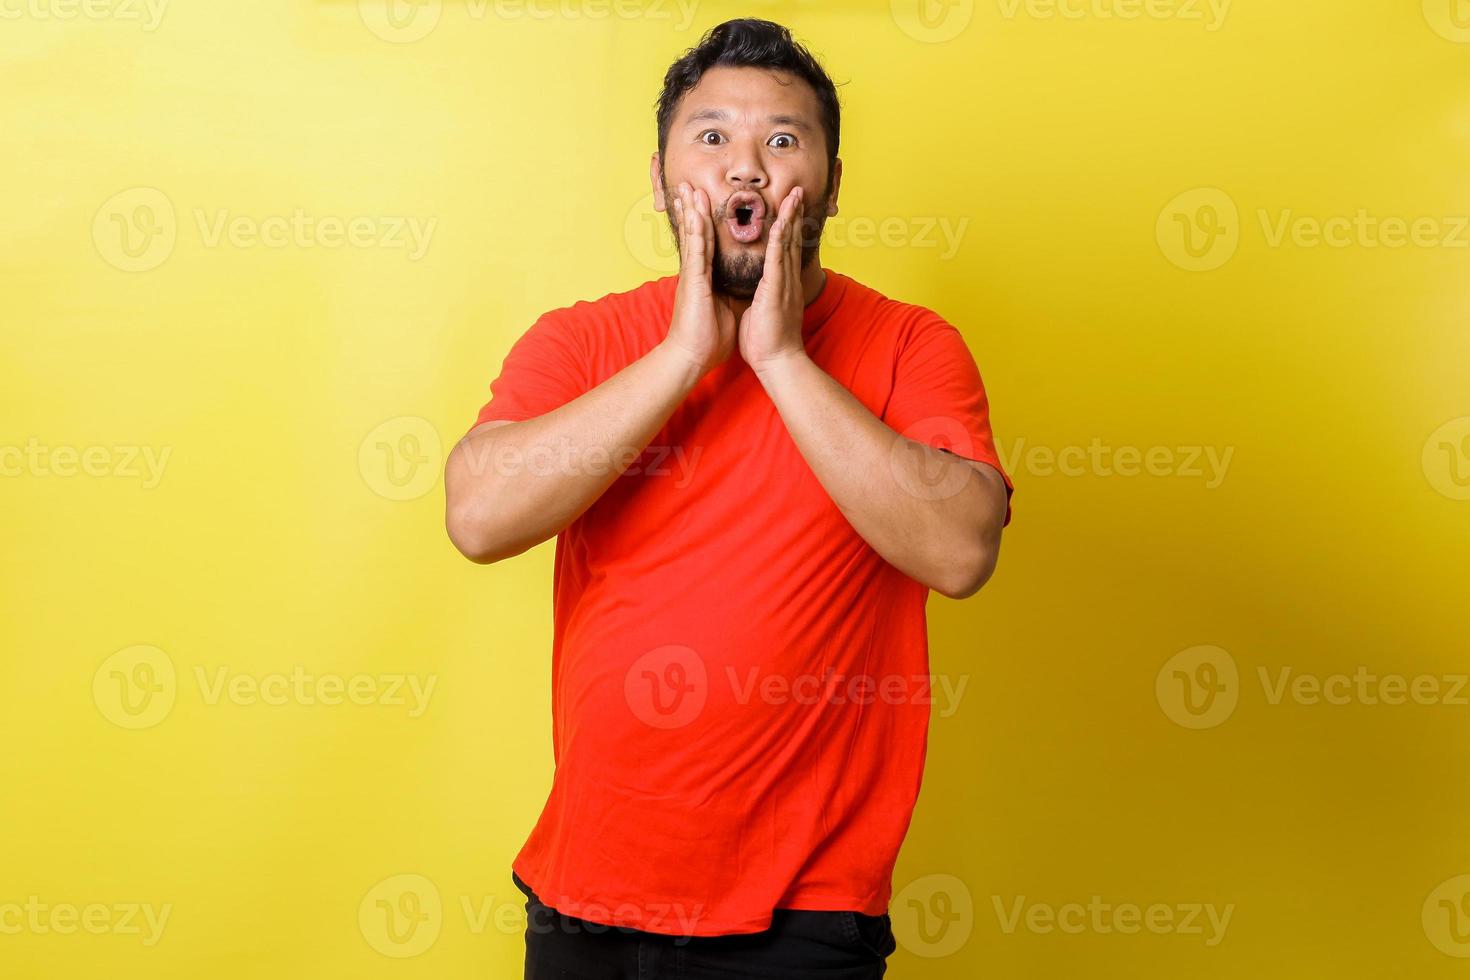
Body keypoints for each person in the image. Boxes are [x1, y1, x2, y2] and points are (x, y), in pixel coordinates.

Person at [445, 18, 1015, 978]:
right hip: (583, 898)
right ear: (663, 173)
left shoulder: (913, 346)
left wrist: (782, 359)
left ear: (830, 180)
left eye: (782, 140)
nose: (745, 168)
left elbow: (960, 550)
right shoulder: (583, 340)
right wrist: (682, 357)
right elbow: (479, 517)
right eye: (712, 137)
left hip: (798, 914)